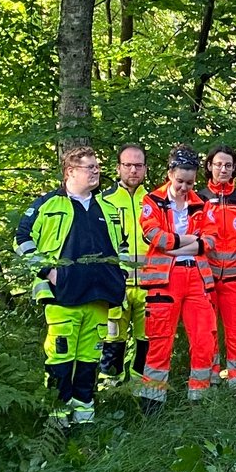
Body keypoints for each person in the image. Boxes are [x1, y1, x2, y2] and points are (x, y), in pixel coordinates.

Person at [16, 144, 130, 426]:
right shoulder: (48, 205)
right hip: (62, 297)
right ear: (70, 171)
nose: (96, 171)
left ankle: (85, 419)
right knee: (61, 360)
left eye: (97, 167)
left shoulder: (109, 207)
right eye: (89, 167)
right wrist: (48, 271)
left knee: (90, 360)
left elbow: (124, 246)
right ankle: (57, 422)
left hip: (100, 298)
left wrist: (122, 275)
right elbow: (22, 239)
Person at [137, 146, 218, 410]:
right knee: (160, 340)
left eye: (190, 182)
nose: (184, 187)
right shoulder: (152, 201)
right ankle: (152, 401)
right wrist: (189, 241)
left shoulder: (202, 204)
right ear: (170, 174)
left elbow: (209, 242)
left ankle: (199, 399)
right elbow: (154, 237)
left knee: (204, 338)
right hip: (164, 280)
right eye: (180, 181)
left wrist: (175, 246)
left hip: (196, 278)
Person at [199, 145, 236, 387]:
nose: (223, 169)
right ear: (210, 166)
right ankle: (208, 382)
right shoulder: (198, 198)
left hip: (235, 280)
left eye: (228, 165)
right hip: (205, 279)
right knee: (206, 332)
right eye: (219, 164)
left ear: (234, 170)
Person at [98, 143, 150, 387]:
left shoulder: (154, 201)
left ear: (145, 169)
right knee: (111, 339)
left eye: (138, 165)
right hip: (115, 287)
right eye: (127, 165)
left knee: (147, 340)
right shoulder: (102, 201)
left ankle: (141, 390)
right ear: (118, 168)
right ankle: (110, 389)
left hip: (150, 285)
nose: (133, 170)